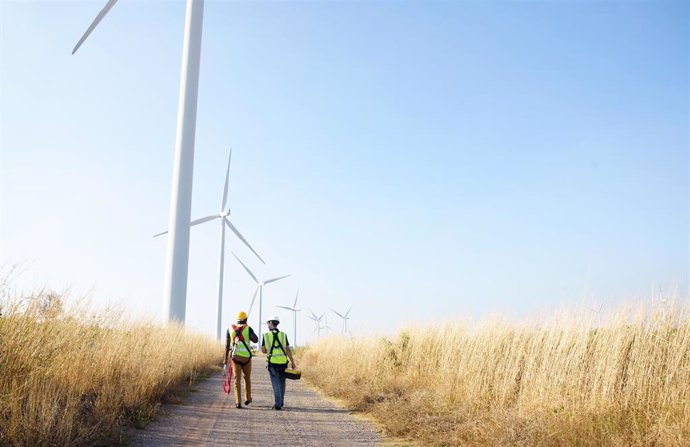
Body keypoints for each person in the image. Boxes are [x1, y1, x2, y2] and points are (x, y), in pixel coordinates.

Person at [261, 315, 297, 410]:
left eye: (268, 322)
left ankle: (278, 404)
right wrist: (292, 362)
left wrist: (269, 349)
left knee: (276, 383)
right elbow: (288, 350)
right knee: (282, 383)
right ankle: (280, 402)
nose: (267, 325)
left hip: (273, 363)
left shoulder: (266, 336)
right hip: (283, 363)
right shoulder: (283, 335)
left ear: (272, 323)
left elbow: (263, 350)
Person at [224, 311, 258, 409]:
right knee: (247, 378)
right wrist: (248, 333)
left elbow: (227, 346)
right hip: (246, 358)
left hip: (235, 358)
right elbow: (256, 340)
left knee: (236, 380)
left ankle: (238, 402)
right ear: (245, 319)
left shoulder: (230, 329)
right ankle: (247, 398)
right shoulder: (248, 328)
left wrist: (225, 360)